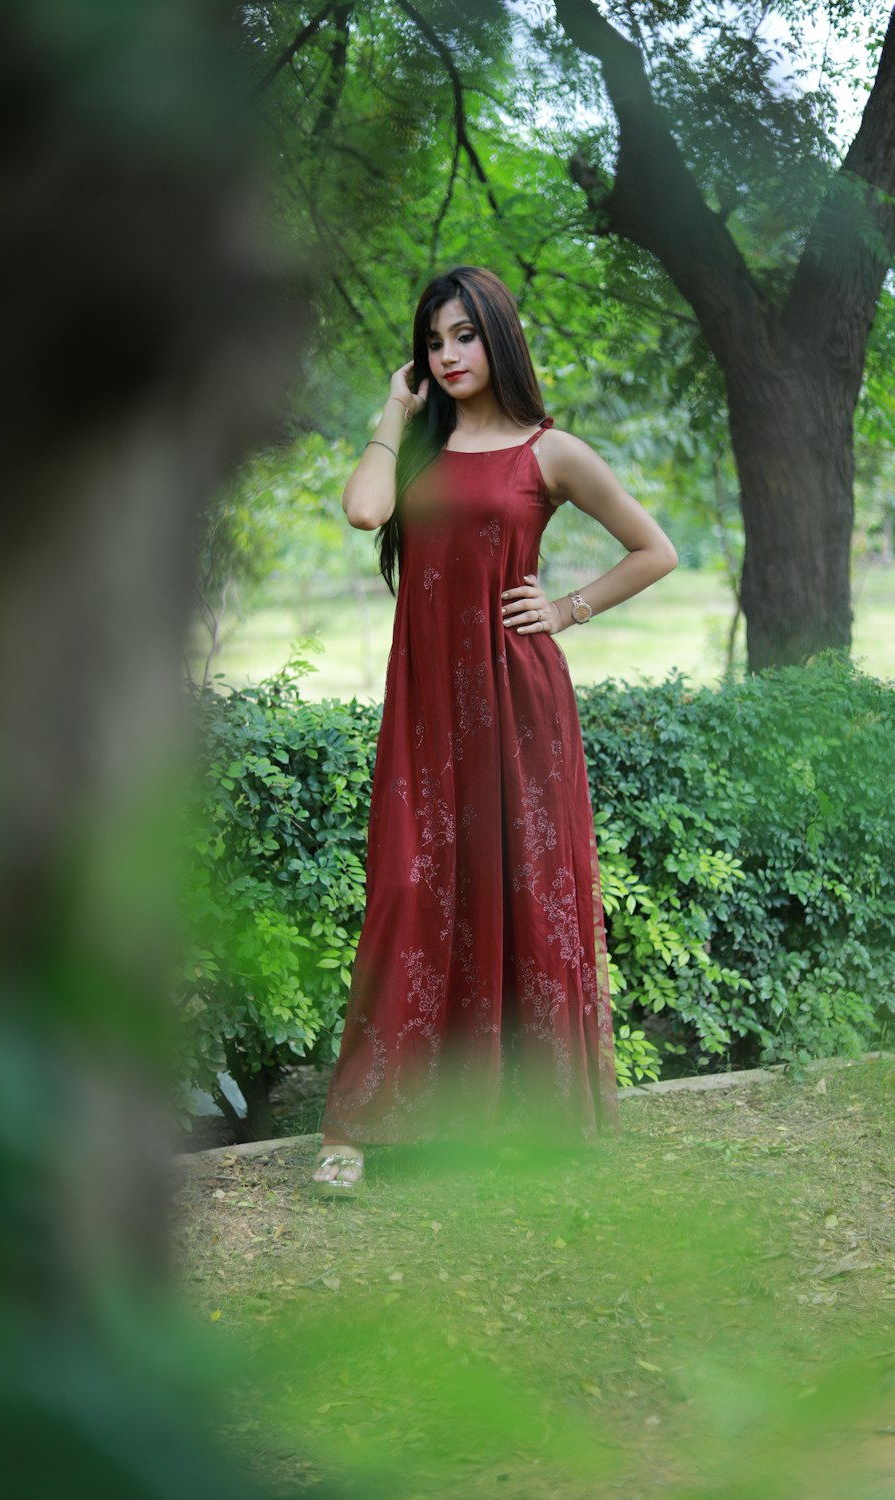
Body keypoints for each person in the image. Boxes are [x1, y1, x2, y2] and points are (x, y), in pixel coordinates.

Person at [311, 266, 677, 1196]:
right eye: (435, 340)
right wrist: (393, 416)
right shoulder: (419, 450)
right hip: (428, 705)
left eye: (465, 335)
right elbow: (364, 510)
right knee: (406, 886)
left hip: (516, 704)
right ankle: (357, 1125)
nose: (448, 354)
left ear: (498, 339)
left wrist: (568, 610)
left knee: (520, 889)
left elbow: (655, 550)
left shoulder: (550, 453)